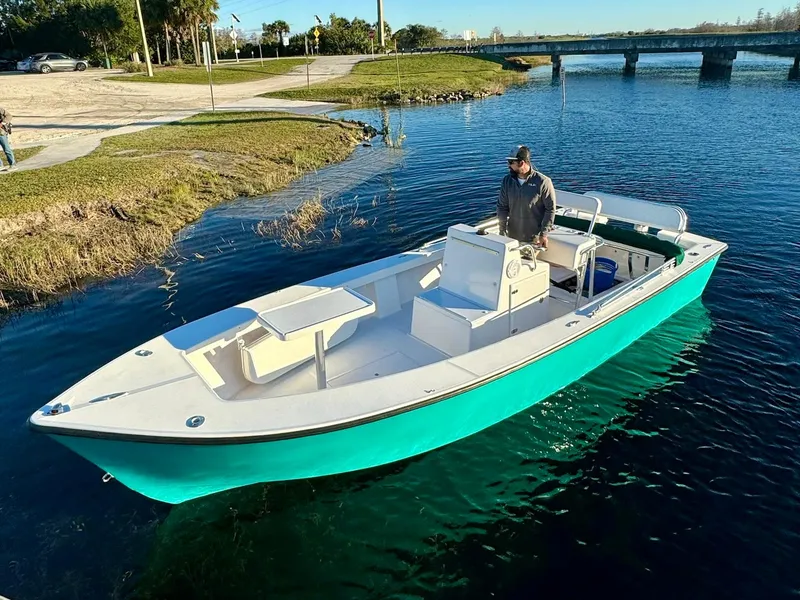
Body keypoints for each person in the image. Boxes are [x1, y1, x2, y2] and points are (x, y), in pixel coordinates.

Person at [497, 145, 555, 247]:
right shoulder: (507, 181)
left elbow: (550, 209)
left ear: (521, 163)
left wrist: (544, 234)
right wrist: (502, 230)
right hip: (511, 238)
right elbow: (502, 207)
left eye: (511, 162)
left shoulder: (543, 182)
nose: (508, 166)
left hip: (534, 240)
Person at [0, 106, 15, 171]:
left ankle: (13, 164)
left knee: (6, 149)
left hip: (1, 132)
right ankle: (0, 166)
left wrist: (2, 123)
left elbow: (9, 116)